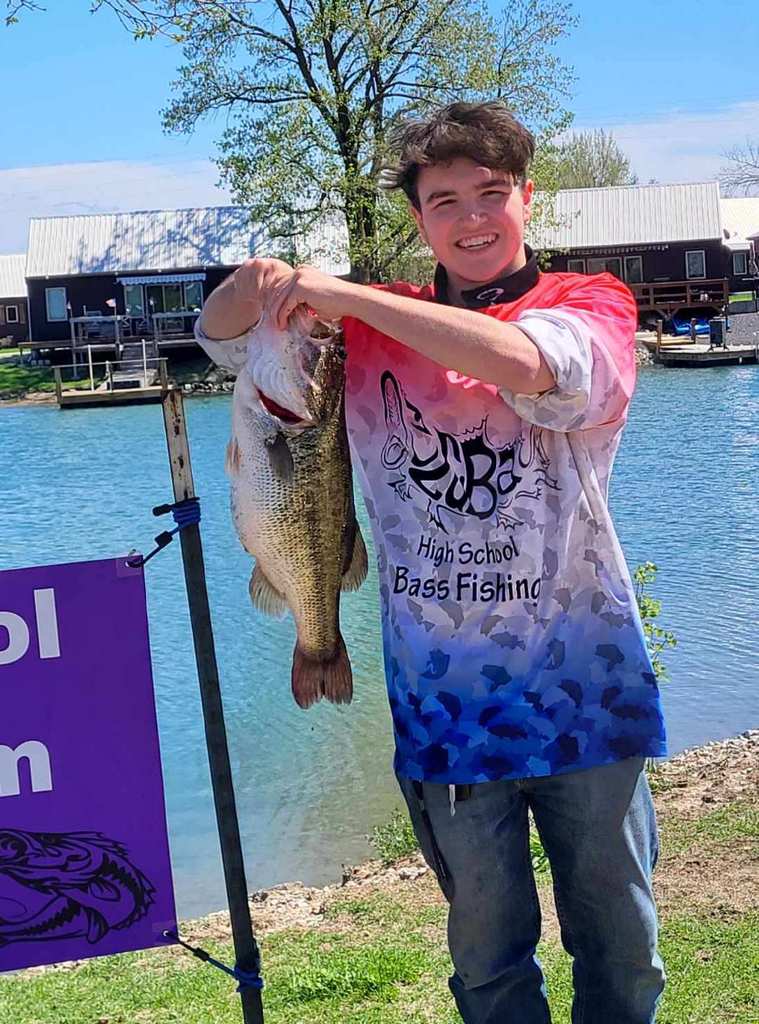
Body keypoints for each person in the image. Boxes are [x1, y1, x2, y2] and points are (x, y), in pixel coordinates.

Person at [196, 101, 668, 1024]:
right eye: (443, 200)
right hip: (444, 706)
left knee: (621, 953)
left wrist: (341, 294)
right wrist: (257, 286)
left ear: (528, 200)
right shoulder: (370, 328)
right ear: (419, 220)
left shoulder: (590, 304)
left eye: (492, 193)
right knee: (487, 964)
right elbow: (218, 336)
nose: (472, 218)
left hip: (588, 697)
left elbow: (534, 367)